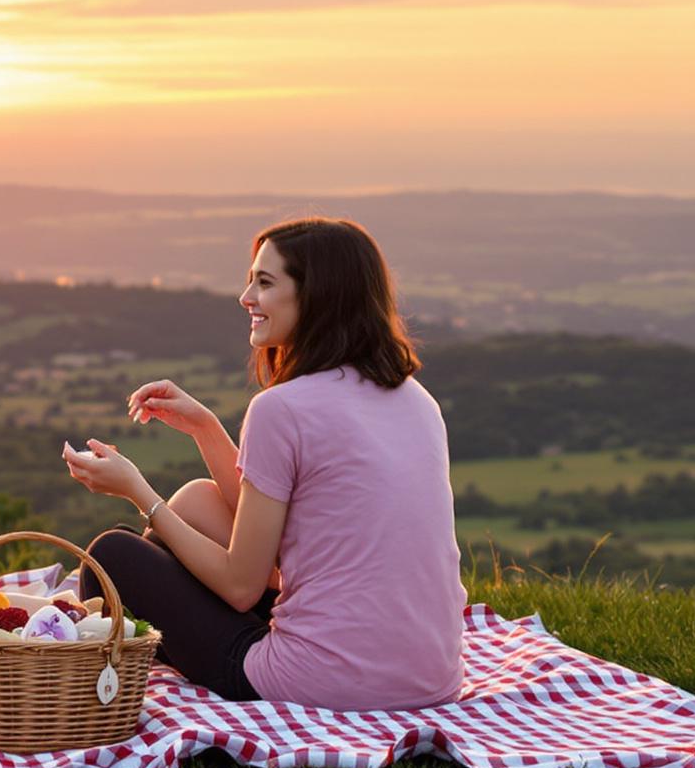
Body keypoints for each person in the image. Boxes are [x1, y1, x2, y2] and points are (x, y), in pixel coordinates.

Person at [60, 216, 463, 710]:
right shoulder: (415, 399)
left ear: (318, 296)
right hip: (432, 676)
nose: (245, 297)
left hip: (326, 684)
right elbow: (294, 527)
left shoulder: (282, 409)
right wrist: (206, 428)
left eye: (265, 283)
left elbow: (241, 584)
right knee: (199, 501)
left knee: (113, 557)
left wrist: (139, 492)